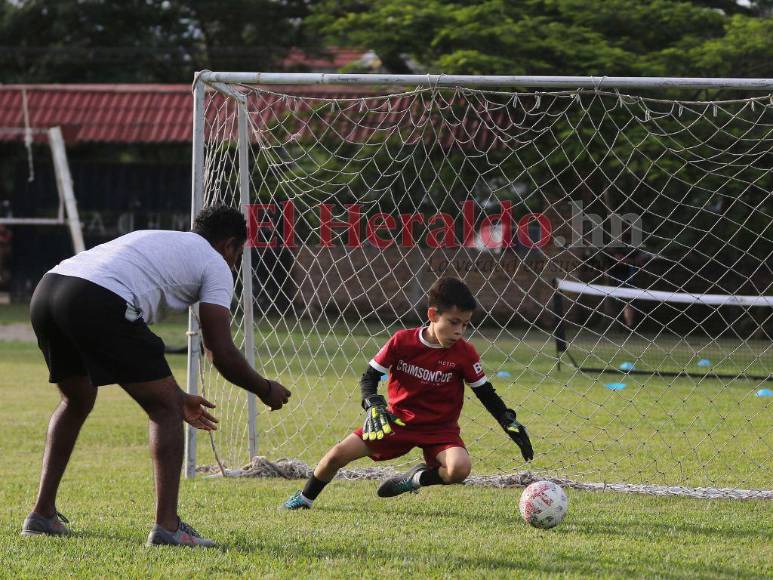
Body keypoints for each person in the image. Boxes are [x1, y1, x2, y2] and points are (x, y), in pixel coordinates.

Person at [22, 205, 291, 547]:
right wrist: (264, 388)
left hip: (48, 291)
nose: (235, 264)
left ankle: (42, 514)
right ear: (229, 245)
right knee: (164, 410)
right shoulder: (214, 263)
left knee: (77, 399)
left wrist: (176, 395)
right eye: (238, 255)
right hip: (95, 298)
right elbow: (220, 352)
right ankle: (168, 527)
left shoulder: (164, 240)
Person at [281, 277, 533, 510]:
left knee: (459, 469)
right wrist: (373, 404)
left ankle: (415, 479)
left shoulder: (464, 353)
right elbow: (369, 377)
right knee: (337, 455)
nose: (460, 331)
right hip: (397, 422)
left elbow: (485, 393)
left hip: (439, 430)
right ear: (433, 314)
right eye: (454, 322)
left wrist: (507, 419)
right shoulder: (402, 342)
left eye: (465, 324)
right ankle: (304, 499)